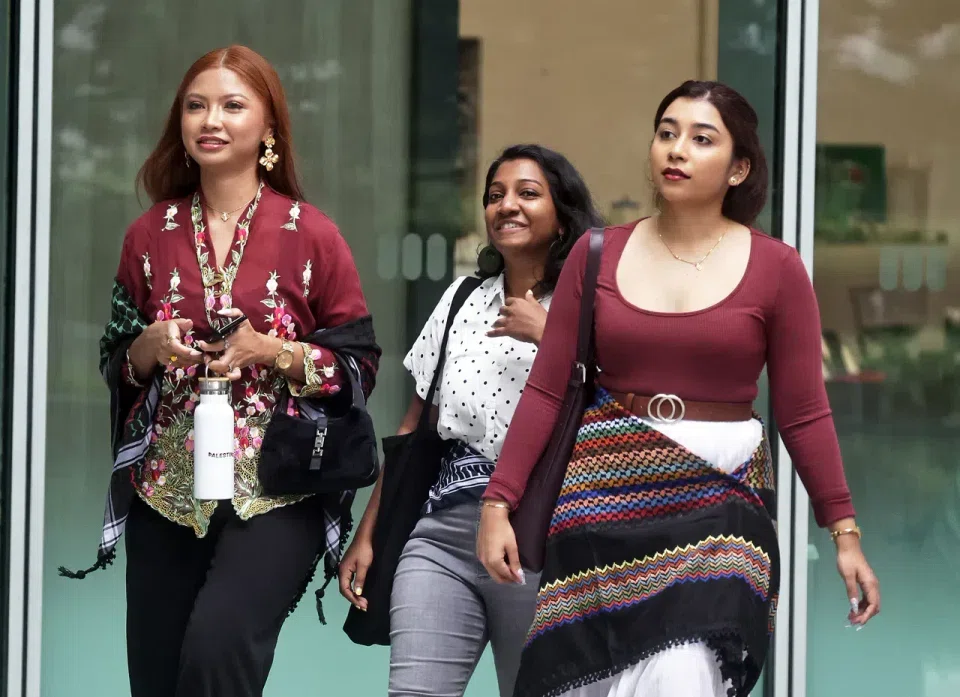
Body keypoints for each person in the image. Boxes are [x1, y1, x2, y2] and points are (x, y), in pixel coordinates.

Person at [477, 81, 882, 697]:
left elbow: (803, 416)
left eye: (701, 138)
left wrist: (844, 532)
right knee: (589, 676)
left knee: (687, 671)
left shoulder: (777, 269)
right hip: (603, 497)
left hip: (723, 500)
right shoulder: (597, 254)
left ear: (739, 168)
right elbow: (548, 391)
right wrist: (497, 501)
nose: (677, 149)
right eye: (667, 132)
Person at [73, 45, 380, 697]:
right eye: (196, 105)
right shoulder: (147, 235)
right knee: (155, 679)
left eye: (232, 105)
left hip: (277, 484)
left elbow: (358, 368)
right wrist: (148, 347)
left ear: (268, 128)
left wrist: (273, 350)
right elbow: (115, 359)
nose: (210, 118)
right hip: (166, 488)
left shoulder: (312, 236)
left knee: (218, 652)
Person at [339, 145, 604, 697]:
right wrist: (370, 533)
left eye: (528, 193)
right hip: (440, 535)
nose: (507, 205)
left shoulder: (593, 307)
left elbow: (620, 404)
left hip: (541, 539)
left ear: (563, 214)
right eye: (495, 195)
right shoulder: (461, 300)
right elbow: (416, 428)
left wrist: (551, 336)